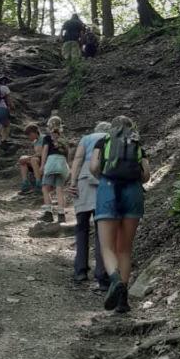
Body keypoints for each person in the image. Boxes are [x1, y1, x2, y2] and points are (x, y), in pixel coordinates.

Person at [90, 115, 150, 314]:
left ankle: (115, 281)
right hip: (133, 192)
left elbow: (94, 167)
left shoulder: (103, 141)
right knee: (124, 248)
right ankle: (123, 302)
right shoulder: (137, 144)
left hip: (108, 189)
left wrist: (105, 175)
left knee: (108, 247)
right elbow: (146, 175)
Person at [69, 121, 111, 287]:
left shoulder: (86, 138)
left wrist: (72, 182)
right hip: (104, 179)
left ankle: (80, 270)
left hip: (84, 179)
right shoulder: (110, 138)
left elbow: (78, 159)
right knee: (102, 227)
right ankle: (102, 274)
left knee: (82, 226)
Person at [39, 115, 72, 223]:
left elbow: (44, 151)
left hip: (51, 163)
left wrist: (42, 165)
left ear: (49, 126)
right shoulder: (64, 138)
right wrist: (68, 166)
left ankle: (48, 212)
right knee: (59, 189)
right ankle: (61, 214)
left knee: (45, 187)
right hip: (62, 163)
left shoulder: (47, 138)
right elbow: (68, 152)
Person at [18, 122, 44, 194]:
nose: (29, 138)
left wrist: (29, 157)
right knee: (23, 159)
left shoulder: (43, 138)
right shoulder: (35, 141)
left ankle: (39, 183)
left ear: (33, 133)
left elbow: (42, 153)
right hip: (37, 160)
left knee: (33, 160)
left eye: (29, 135)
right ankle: (25, 183)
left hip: (44, 160)